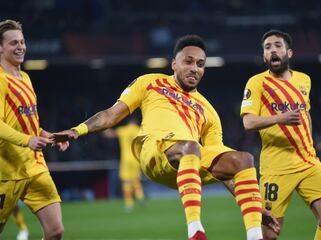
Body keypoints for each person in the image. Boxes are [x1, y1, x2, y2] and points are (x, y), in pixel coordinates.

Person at [54, 35, 279, 240]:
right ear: (174, 64)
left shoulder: (209, 111)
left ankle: (254, 235)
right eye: (188, 61)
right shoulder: (150, 82)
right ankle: (196, 231)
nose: (195, 69)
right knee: (191, 147)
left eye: (200, 64)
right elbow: (111, 116)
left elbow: (222, 170)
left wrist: (252, 203)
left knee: (244, 160)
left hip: (188, 162)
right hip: (154, 153)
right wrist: (77, 130)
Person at [240, 29, 321, 240]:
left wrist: (309, 144)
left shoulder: (304, 80)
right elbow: (248, 122)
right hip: (276, 167)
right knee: (270, 233)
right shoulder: (256, 83)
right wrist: (278, 118)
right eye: (267, 48)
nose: (272, 50)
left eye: (277, 46)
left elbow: (306, 114)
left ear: (289, 52)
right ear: (264, 55)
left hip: (308, 161)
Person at [0, 19, 67, 239]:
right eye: (13, 43)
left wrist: (48, 135)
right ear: (0, 47)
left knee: (55, 230)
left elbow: (27, 122)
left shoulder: (26, 77)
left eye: (22, 41)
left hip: (35, 166)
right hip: (6, 172)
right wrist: (26, 140)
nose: (20, 47)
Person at [103, 117, 145, 212]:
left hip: (126, 159)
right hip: (136, 158)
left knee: (126, 181)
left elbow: (110, 134)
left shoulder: (123, 130)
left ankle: (129, 204)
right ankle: (140, 197)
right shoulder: (139, 130)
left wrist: (103, 127)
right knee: (135, 180)